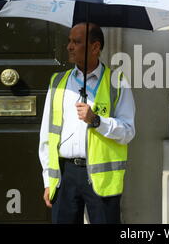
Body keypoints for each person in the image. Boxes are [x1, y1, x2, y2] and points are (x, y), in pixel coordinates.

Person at [38, 22, 135, 224]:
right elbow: (47, 134)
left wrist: (97, 121)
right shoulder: (58, 82)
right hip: (65, 176)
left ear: (95, 47)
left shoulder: (117, 81)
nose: (69, 47)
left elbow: (128, 131)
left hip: (101, 179)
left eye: (76, 42)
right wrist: (48, 180)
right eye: (69, 41)